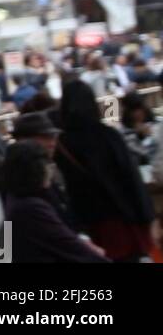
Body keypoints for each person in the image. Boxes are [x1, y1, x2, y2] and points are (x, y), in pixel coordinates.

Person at [55, 80, 155, 262]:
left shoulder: (62, 144)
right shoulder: (109, 135)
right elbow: (130, 177)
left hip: (89, 221)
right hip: (121, 216)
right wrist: (145, 215)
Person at [2, 141, 109, 263]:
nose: (51, 169)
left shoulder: (17, 198)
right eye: (48, 164)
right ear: (35, 169)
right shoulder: (30, 208)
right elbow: (70, 246)